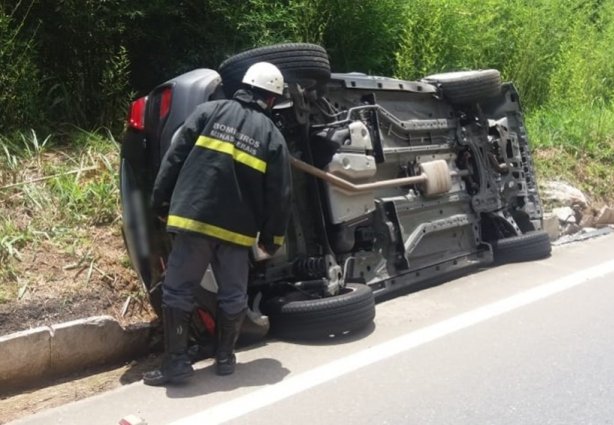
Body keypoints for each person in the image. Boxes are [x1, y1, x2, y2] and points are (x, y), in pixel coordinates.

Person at [143, 62, 292, 386]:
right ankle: (225, 358)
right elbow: (279, 195)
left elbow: (175, 157)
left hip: (195, 220)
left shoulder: (207, 112)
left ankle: (177, 365)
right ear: (270, 99)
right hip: (236, 233)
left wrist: (159, 200)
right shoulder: (272, 137)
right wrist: (272, 239)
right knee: (233, 295)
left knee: (178, 291)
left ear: (246, 85)